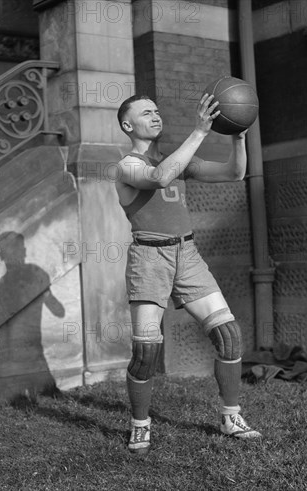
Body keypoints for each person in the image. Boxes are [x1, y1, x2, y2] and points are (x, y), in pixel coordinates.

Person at [115, 93, 261, 454]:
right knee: (146, 350)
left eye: (157, 110)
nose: (156, 115)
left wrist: (237, 135)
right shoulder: (127, 166)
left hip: (188, 254)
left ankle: (230, 417)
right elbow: (160, 178)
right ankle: (140, 424)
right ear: (127, 125)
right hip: (149, 258)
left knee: (228, 335)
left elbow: (234, 172)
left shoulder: (175, 159)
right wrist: (199, 130)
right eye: (146, 112)